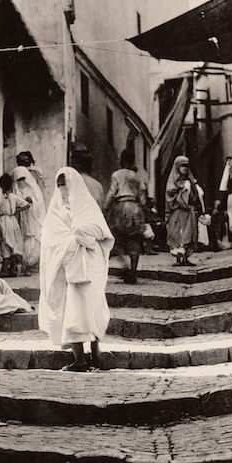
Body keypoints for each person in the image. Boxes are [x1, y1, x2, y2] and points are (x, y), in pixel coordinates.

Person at [38, 166, 114, 373]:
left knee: (92, 308)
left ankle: (96, 355)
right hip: (67, 269)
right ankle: (79, 359)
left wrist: (82, 234)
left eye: (65, 185)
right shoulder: (56, 211)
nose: (63, 190)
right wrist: (71, 242)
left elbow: (103, 234)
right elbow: (49, 237)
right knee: (72, 312)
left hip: (89, 267)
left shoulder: (87, 207)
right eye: (59, 186)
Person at [104, 147, 148, 284]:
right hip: (135, 207)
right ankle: (133, 271)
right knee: (135, 240)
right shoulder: (137, 177)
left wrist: (105, 208)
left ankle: (125, 266)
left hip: (120, 207)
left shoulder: (116, 175)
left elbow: (112, 193)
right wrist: (143, 210)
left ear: (121, 160)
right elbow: (143, 196)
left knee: (117, 238)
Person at [165, 154, 201, 266]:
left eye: (186, 166)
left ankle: (185, 257)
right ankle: (178, 258)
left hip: (188, 212)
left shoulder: (190, 180)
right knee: (177, 234)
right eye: (182, 165)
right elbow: (170, 194)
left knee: (189, 234)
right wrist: (180, 190)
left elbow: (195, 196)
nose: (184, 168)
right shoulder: (172, 182)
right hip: (177, 212)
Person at [0, 172, 30, 277]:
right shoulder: (14, 197)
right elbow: (27, 205)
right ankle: (13, 269)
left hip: (4, 220)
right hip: (13, 220)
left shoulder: (0, 196)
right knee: (14, 242)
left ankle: (6, 269)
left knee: (5, 242)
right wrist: (15, 211)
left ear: (1, 186)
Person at [11, 165, 45, 270]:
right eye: (19, 179)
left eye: (23, 179)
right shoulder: (15, 190)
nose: (21, 181)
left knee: (32, 238)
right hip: (21, 218)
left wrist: (32, 200)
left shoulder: (32, 189)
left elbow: (39, 203)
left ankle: (33, 261)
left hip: (31, 217)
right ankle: (23, 263)